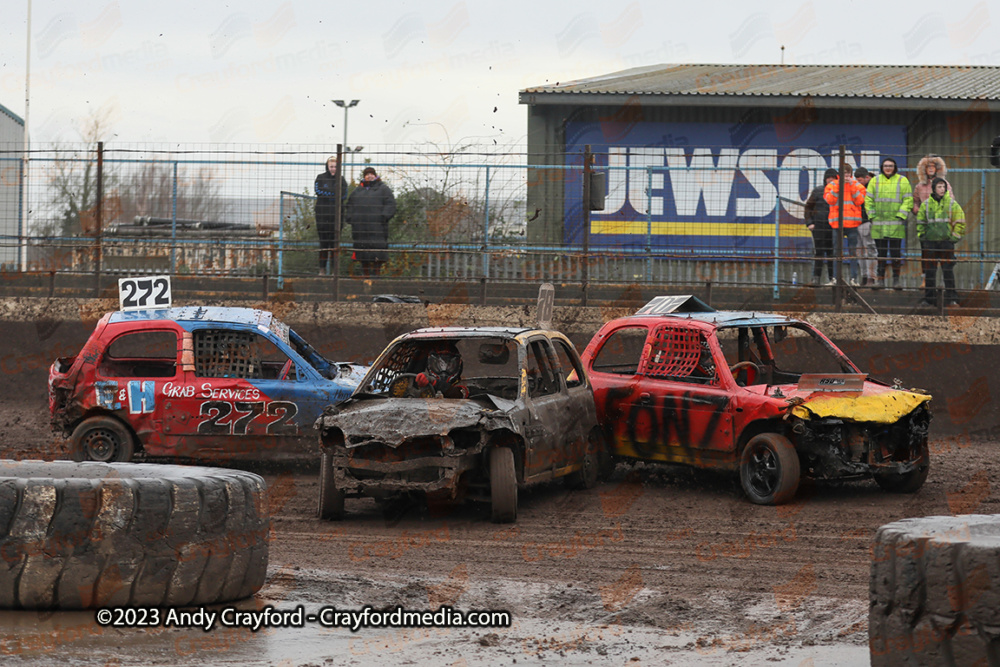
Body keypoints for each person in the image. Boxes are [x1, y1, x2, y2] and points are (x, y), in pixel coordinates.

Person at [865, 157, 913, 289]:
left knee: (895, 254)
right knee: (881, 254)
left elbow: (908, 199)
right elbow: (868, 200)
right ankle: (880, 281)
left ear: (895, 167)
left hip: (895, 224)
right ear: (882, 167)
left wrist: (901, 215)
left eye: (891, 166)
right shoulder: (874, 181)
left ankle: (896, 281)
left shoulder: (902, 181)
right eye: (886, 165)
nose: (888, 168)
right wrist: (872, 216)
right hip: (878, 224)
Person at [917, 177, 965, 307]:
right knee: (930, 271)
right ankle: (929, 299)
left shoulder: (952, 204)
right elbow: (921, 222)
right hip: (930, 243)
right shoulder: (926, 204)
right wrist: (923, 236)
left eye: (943, 187)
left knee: (948, 271)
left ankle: (952, 298)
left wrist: (954, 238)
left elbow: (960, 221)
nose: (942, 189)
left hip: (946, 243)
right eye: (939, 186)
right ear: (933, 189)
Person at [345, 166, 396, 276]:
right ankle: (366, 276)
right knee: (363, 255)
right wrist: (351, 219)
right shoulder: (357, 191)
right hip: (360, 229)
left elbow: (391, 204)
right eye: (367, 174)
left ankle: (376, 276)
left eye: (371, 174)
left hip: (378, 228)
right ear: (364, 177)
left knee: (377, 253)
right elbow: (349, 206)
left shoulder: (383, 189)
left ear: (375, 175)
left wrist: (383, 217)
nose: (369, 176)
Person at [823, 162, 866, 285]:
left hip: (852, 224)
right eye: (844, 173)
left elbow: (859, 201)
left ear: (851, 174)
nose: (846, 176)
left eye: (848, 173)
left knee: (853, 252)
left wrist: (851, 185)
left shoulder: (858, 185)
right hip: (837, 224)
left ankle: (853, 279)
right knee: (837, 252)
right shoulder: (832, 185)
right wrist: (839, 186)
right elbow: (830, 200)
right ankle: (836, 279)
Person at [802, 168, 838, 286]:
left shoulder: (841, 191)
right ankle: (816, 278)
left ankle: (833, 279)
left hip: (834, 228)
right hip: (819, 227)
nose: (831, 180)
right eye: (829, 178)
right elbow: (808, 207)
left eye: (833, 178)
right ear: (825, 179)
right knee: (819, 252)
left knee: (832, 253)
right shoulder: (818, 191)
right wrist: (810, 223)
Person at [314, 156, 348, 275]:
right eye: (331, 167)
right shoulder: (320, 178)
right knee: (323, 243)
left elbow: (343, 195)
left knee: (335, 243)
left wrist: (329, 195)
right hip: (322, 217)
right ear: (327, 167)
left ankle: (334, 271)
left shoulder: (342, 180)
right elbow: (319, 191)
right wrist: (335, 194)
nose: (333, 169)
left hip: (337, 218)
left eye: (335, 167)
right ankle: (322, 269)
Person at [854, 167, 877, 286]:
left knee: (870, 251)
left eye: (860, 180)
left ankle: (871, 278)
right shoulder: (856, 188)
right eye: (857, 180)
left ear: (867, 178)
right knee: (860, 252)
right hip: (856, 222)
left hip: (867, 222)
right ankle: (864, 276)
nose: (858, 183)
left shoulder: (873, 188)